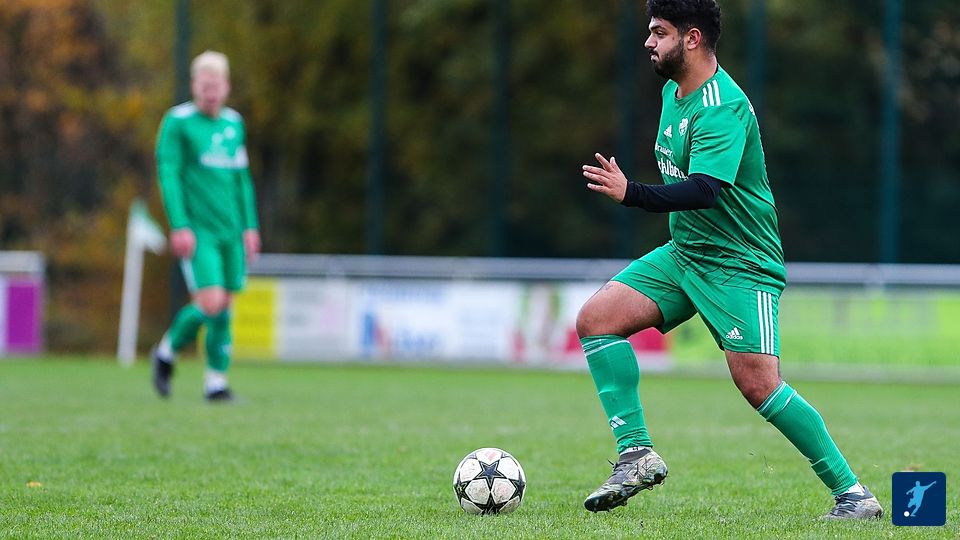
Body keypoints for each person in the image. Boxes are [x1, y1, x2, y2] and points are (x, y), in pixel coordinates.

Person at [577, 0, 882, 519]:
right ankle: (636, 454)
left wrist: (632, 193)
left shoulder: (723, 106)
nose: (649, 42)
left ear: (692, 38)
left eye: (659, 32)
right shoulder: (673, 94)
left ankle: (853, 494)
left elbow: (704, 190)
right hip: (686, 254)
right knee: (596, 320)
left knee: (759, 384)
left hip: (741, 263)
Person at [151, 50, 261, 402]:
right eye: (204, 86)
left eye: (216, 86)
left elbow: (241, 180)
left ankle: (216, 382)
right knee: (210, 301)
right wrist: (179, 224)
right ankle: (167, 350)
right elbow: (169, 175)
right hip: (200, 231)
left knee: (224, 305)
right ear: (194, 85)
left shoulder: (234, 124)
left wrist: (250, 227)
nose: (210, 93)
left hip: (232, 230)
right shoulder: (178, 122)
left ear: (226, 86)